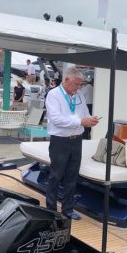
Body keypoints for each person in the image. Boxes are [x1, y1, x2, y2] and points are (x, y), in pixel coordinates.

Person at [45, 68, 99, 220]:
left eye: (80, 84)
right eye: (76, 84)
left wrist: (90, 119)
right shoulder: (54, 94)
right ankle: (51, 210)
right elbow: (57, 119)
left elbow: (84, 114)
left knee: (72, 176)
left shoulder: (79, 94)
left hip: (77, 140)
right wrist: (81, 121)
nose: (79, 87)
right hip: (60, 140)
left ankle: (67, 209)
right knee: (56, 176)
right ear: (66, 80)